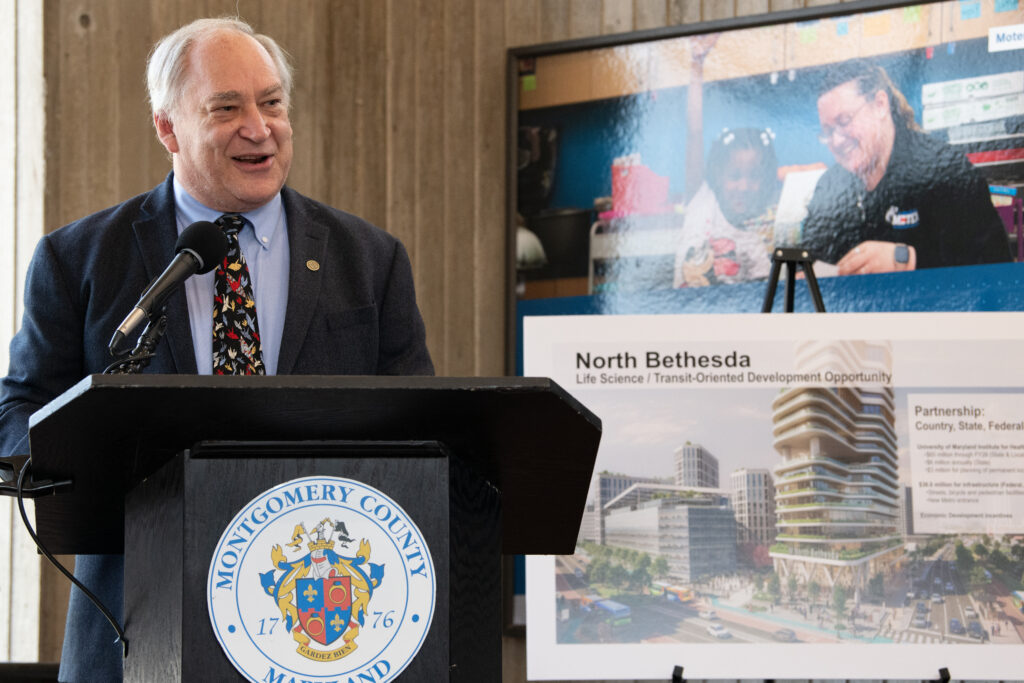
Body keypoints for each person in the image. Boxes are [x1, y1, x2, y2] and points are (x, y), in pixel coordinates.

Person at [0, 17, 432, 682]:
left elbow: (420, 431)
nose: (258, 128)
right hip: (135, 626)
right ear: (168, 128)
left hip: (321, 628)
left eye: (273, 102)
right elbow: (21, 408)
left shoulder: (370, 260)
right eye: (226, 108)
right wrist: (80, 458)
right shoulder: (80, 258)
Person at [800, 60, 1011, 275]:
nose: (836, 140)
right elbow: (808, 259)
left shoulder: (945, 170)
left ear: (880, 104)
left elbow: (996, 266)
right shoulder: (830, 186)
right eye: (827, 131)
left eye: (844, 121)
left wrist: (908, 259)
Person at [674, 127, 781, 287]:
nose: (744, 187)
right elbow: (694, 135)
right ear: (718, 176)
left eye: (754, 176)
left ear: (765, 179)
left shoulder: (766, 223)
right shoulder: (702, 204)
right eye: (735, 176)